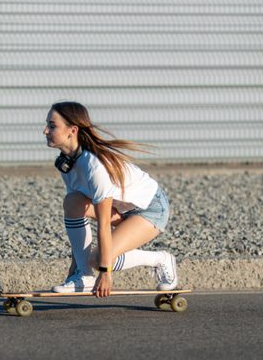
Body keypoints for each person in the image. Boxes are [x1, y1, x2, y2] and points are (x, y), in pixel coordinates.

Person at [44, 101, 177, 298]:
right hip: (123, 209)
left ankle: (161, 259)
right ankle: (84, 276)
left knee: (98, 260)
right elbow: (78, 210)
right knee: (72, 201)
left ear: (73, 130)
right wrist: (76, 268)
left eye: (52, 125)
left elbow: (103, 222)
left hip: (151, 208)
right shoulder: (67, 164)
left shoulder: (95, 166)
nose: (45, 131)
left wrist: (105, 273)